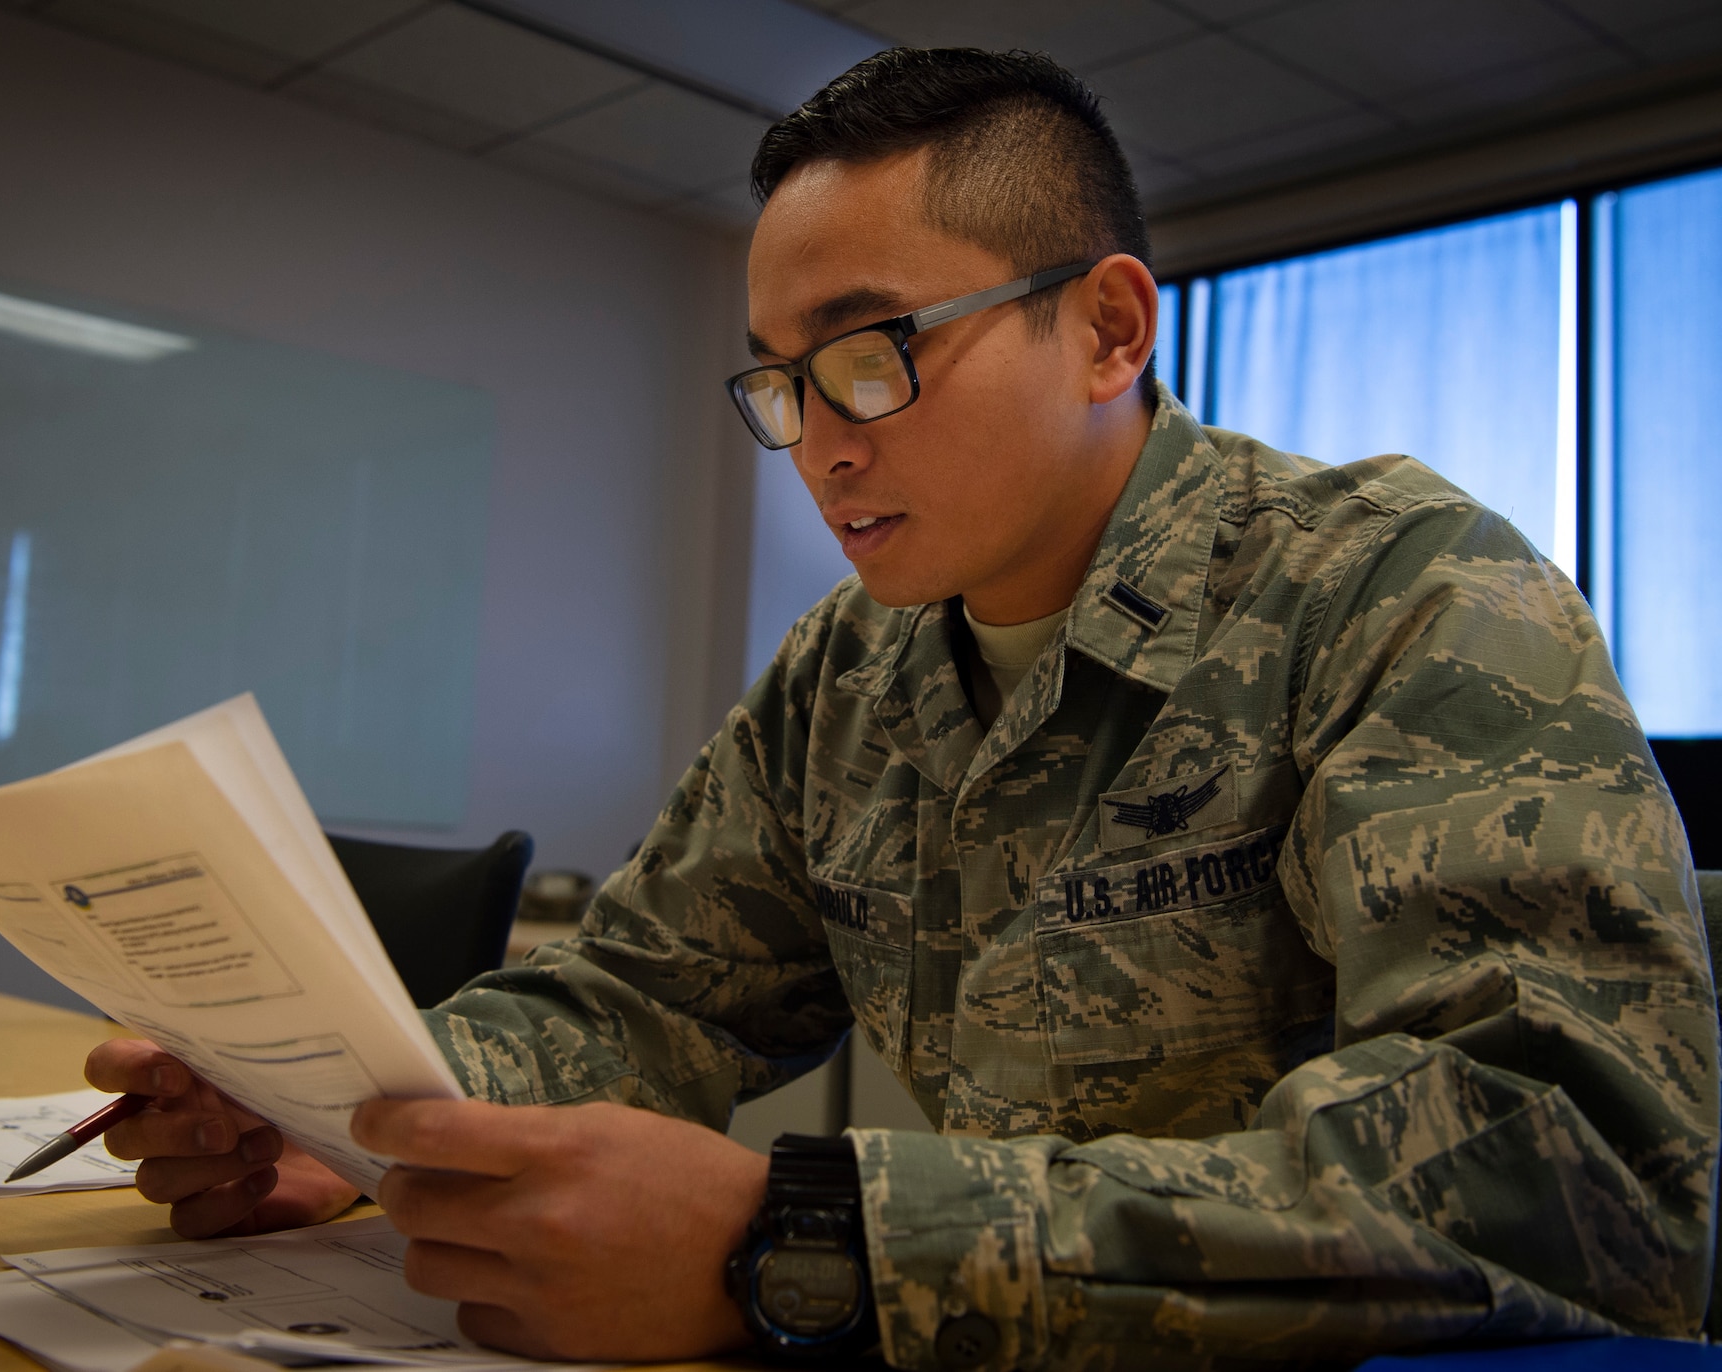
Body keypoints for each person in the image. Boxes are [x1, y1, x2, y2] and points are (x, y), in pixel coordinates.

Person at [85, 48, 1718, 1368]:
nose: (819, 437)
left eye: (871, 351)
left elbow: (1569, 1177)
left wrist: (801, 1247)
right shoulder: (847, 675)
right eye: (780, 378)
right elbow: (649, 999)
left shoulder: (1403, 593)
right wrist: (362, 1119)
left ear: (1108, 327)